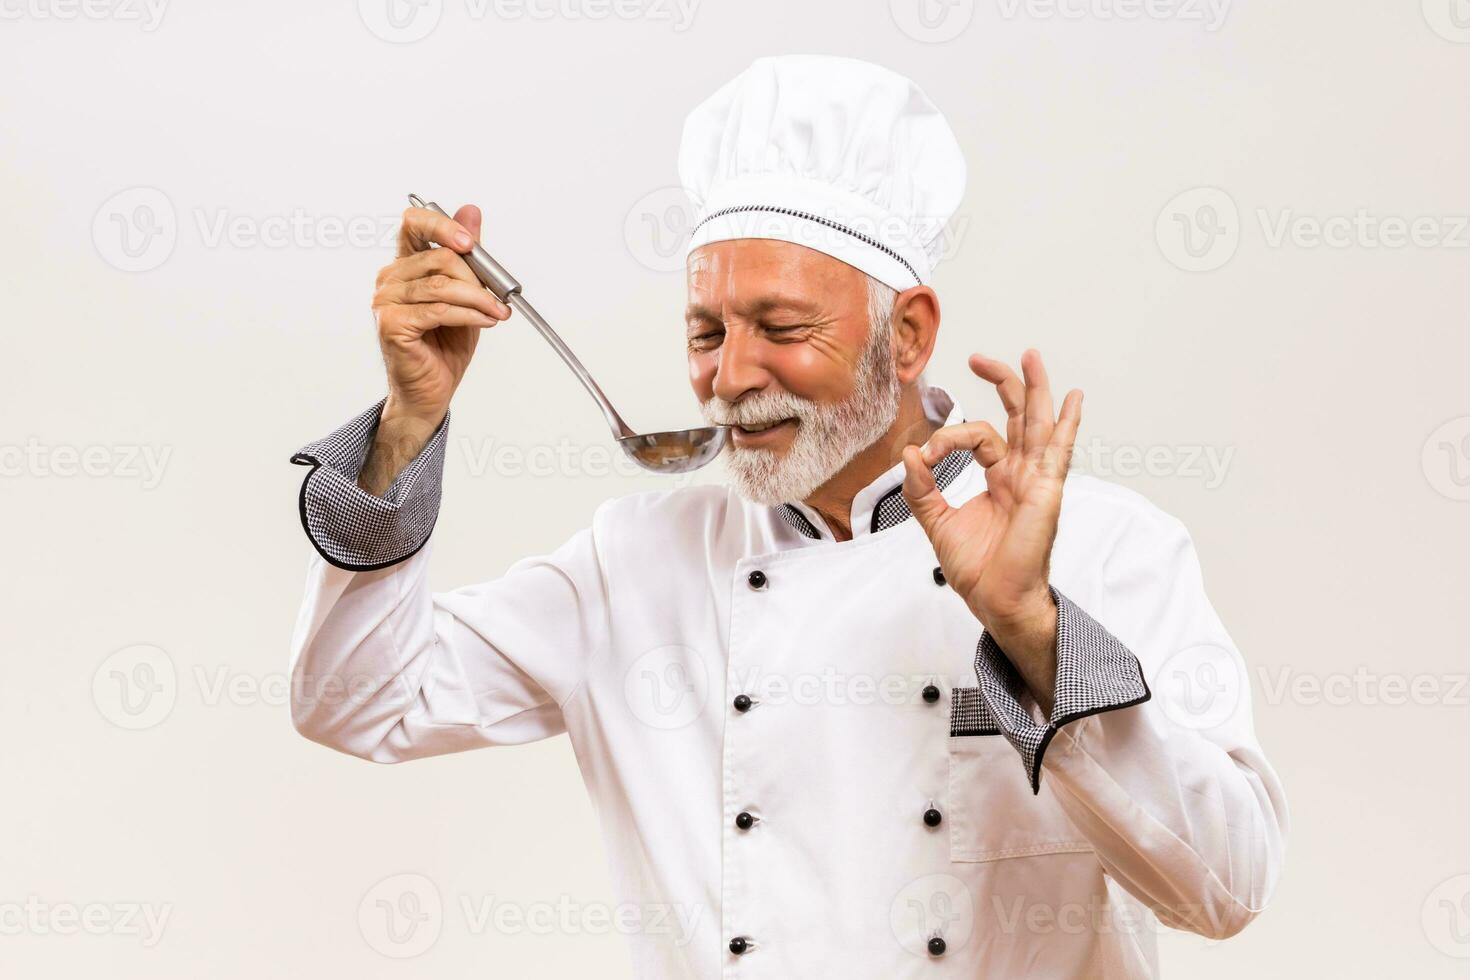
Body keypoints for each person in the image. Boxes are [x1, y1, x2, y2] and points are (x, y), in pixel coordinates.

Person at [287, 55, 1287, 978]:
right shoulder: (635, 563)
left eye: (780, 326)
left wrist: (1032, 628)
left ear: (909, 333)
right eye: (707, 329)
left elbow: (1227, 885)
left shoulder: (1108, 543)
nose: (729, 375)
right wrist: (406, 426)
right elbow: (357, 698)